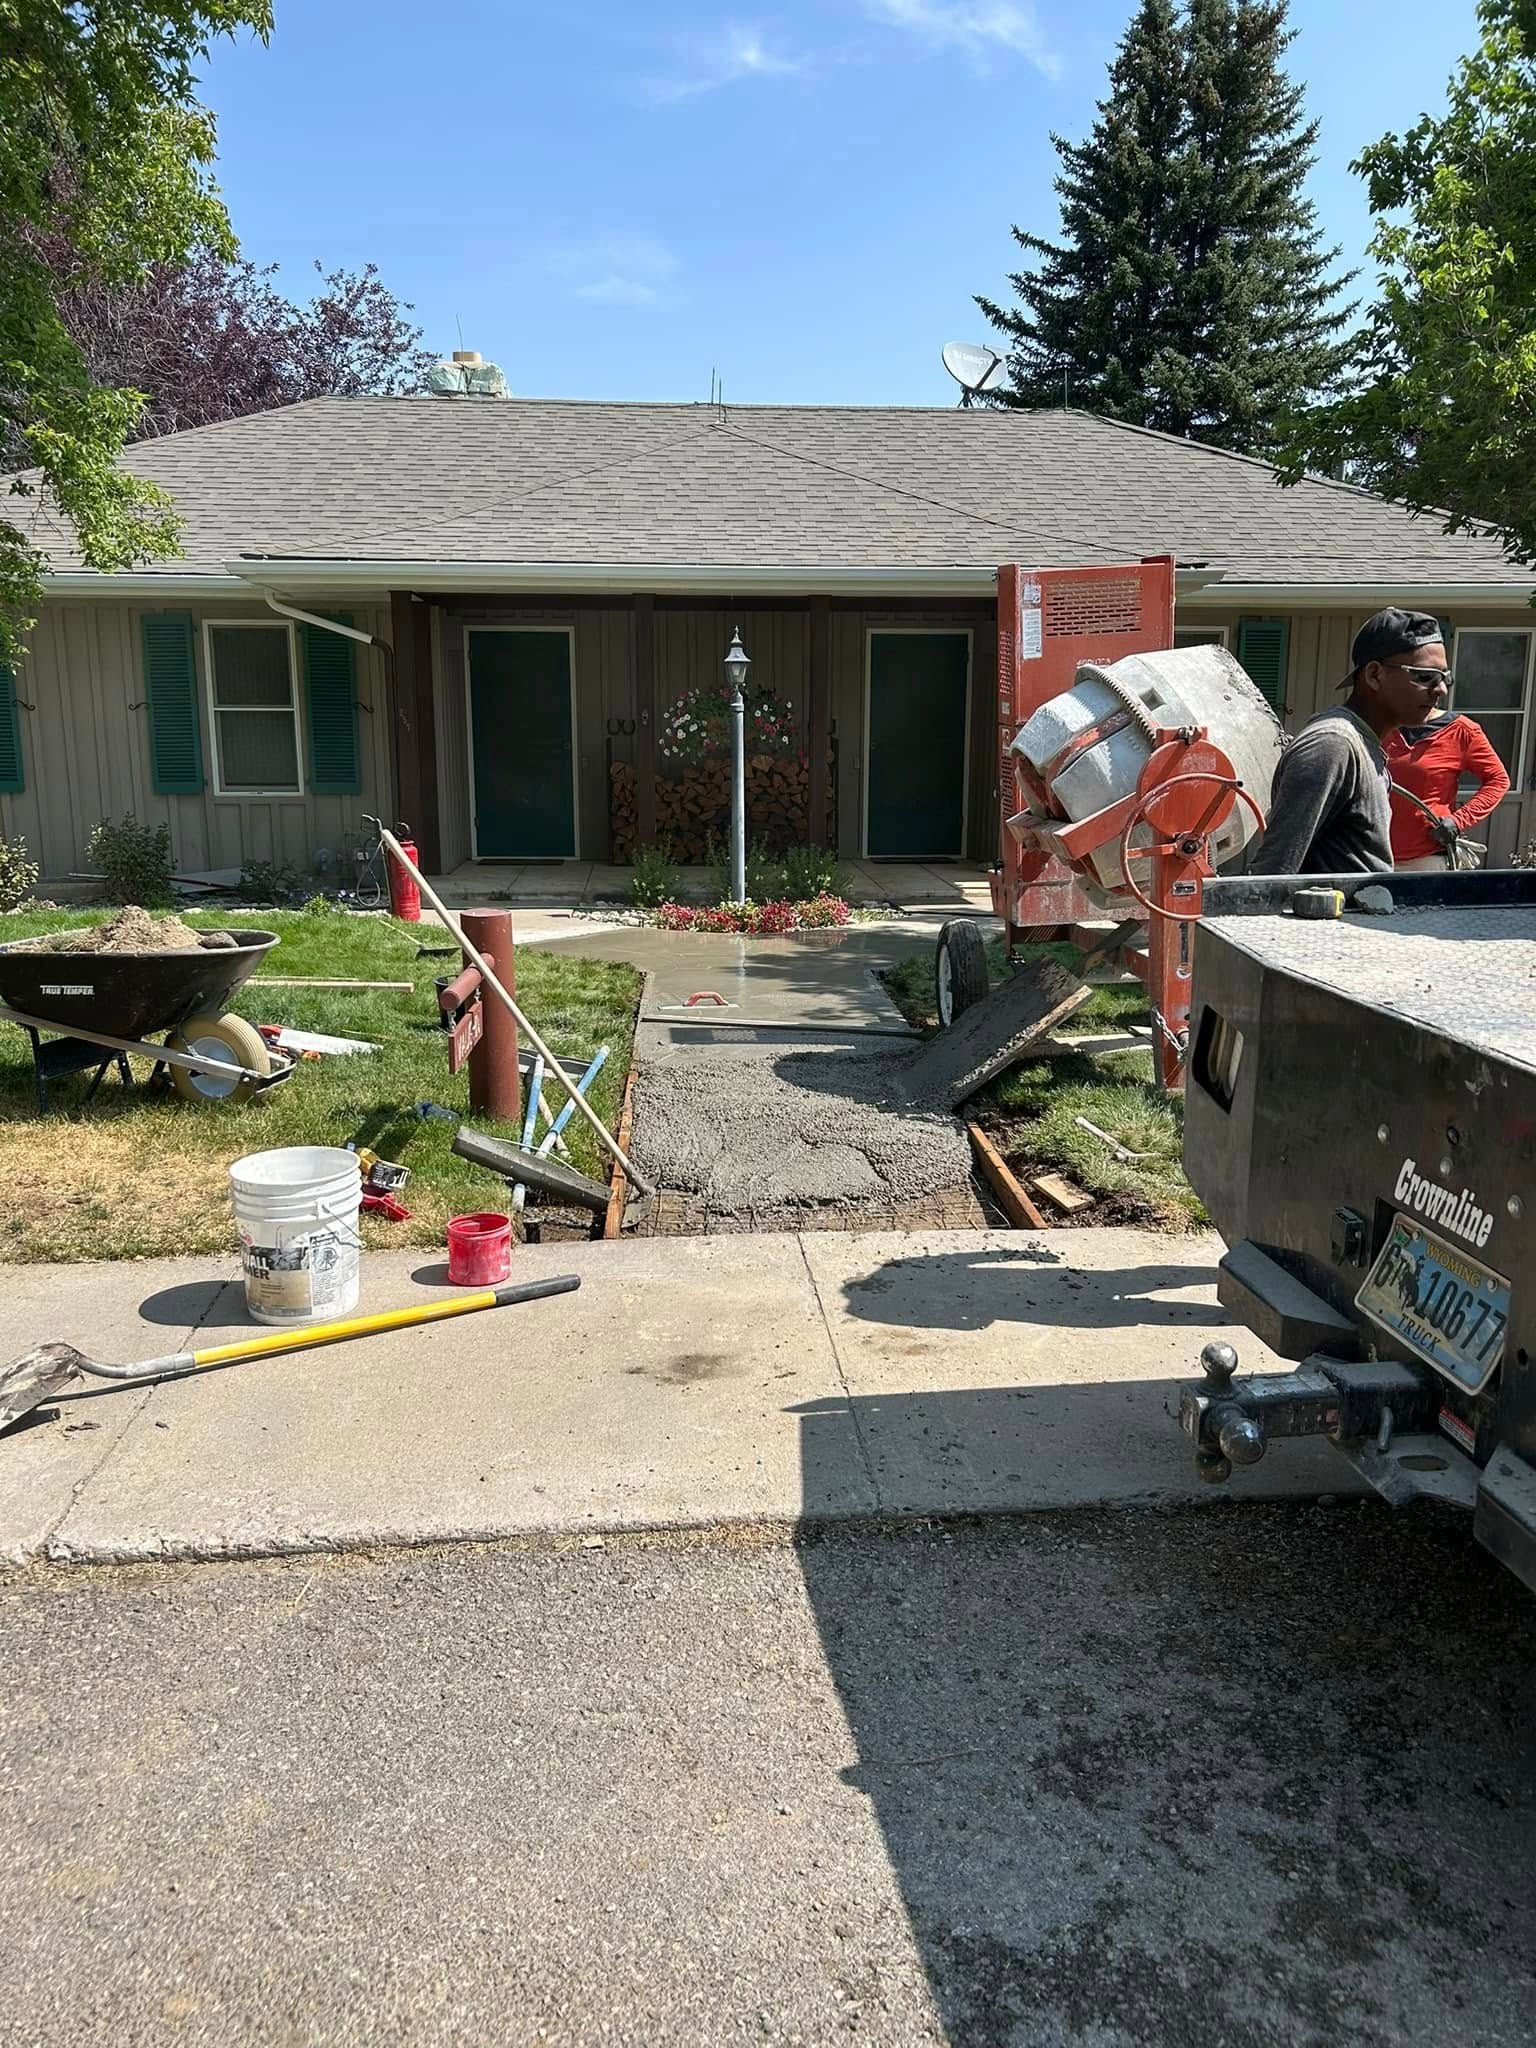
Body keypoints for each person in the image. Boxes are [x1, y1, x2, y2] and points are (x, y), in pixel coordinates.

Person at [1248, 608, 1452, 875]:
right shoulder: (1333, 746)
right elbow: (1273, 872)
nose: (1441, 690)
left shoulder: (1363, 743)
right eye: (1425, 677)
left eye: (1445, 677)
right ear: (1374, 675)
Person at [1385, 676, 1509, 872]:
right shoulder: (1380, 725)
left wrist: (1459, 820)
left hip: (1425, 860)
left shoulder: (1462, 731)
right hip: (1371, 854)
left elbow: (1498, 780)